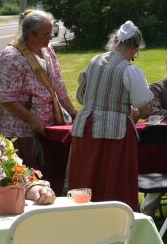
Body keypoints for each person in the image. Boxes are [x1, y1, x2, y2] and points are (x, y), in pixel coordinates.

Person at [68, 21, 154, 211]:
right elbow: (145, 110)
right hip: (115, 132)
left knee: (85, 175)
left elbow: (82, 97)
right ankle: (115, 219)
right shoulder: (129, 70)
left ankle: (80, 216)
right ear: (135, 48)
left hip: (86, 127)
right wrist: (132, 112)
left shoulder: (94, 61)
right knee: (113, 180)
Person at [0, 9, 77, 176]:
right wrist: (31, 118)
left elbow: (57, 84)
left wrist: (72, 111)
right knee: (26, 175)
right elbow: (6, 99)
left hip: (48, 127)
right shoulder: (12, 57)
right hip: (21, 132)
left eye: (52, 32)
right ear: (31, 35)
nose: (51, 37)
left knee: (51, 172)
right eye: (46, 34)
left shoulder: (48, 50)